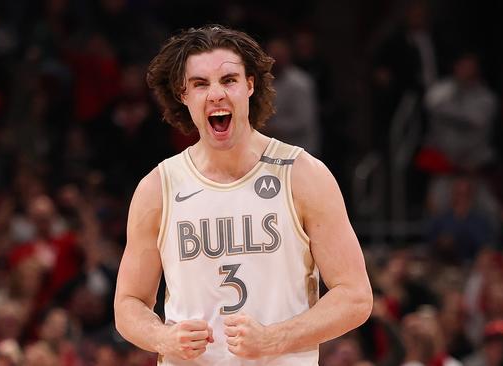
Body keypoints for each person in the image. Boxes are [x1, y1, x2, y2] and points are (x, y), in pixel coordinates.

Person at [113, 24, 373, 365]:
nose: (216, 94)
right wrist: (163, 336)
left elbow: (355, 297)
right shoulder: (157, 187)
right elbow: (128, 303)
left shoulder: (302, 174)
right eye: (200, 84)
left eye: (229, 80)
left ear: (250, 85)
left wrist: (275, 338)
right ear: (183, 95)